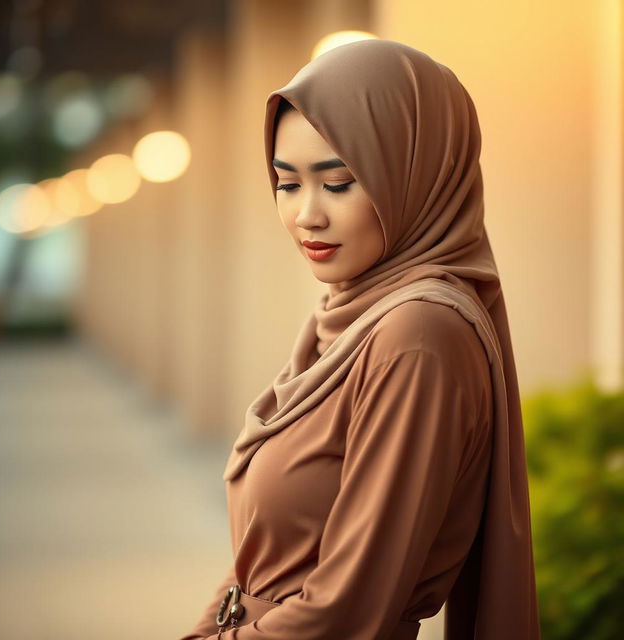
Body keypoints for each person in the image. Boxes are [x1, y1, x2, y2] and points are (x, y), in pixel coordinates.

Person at [178, 38, 540, 640]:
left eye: (339, 183)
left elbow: (344, 612)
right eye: (287, 184)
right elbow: (261, 568)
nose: (306, 216)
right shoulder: (347, 317)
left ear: (416, 175)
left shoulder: (417, 336)